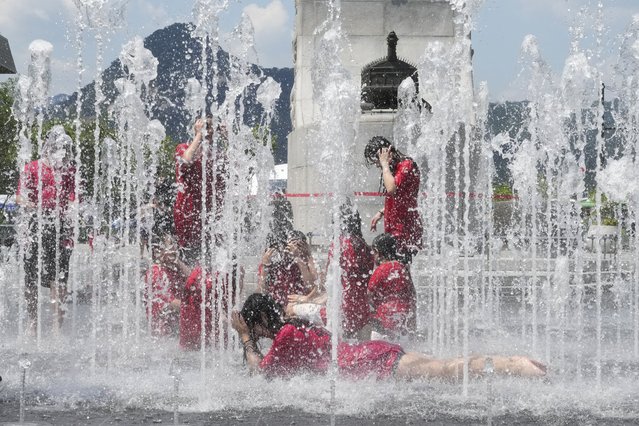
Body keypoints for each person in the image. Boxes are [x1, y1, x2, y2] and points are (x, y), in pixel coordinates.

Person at [231, 293, 546, 380]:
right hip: (372, 355)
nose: (256, 334)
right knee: (446, 366)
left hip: (372, 364)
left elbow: (260, 371)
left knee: (448, 371)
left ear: (259, 319)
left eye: (253, 326)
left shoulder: (287, 332)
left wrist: (244, 337)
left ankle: (517, 365)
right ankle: (518, 364)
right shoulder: (296, 325)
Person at [16, 125, 76, 333]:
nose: (62, 151)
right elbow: (19, 196)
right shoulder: (32, 168)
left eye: (64, 147)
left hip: (60, 228)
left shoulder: (69, 170)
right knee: (31, 276)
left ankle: (56, 327)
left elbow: (72, 197)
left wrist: (72, 210)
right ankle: (32, 321)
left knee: (59, 278)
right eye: (57, 146)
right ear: (48, 146)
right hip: (35, 226)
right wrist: (31, 205)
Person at [287, 201, 374, 339]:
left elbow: (329, 286)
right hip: (362, 314)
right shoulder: (366, 248)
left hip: (340, 315)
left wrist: (307, 299)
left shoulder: (339, 245)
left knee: (290, 309)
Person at [174, 117, 227, 262]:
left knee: (212, 268)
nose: (209, 131)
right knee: (191, 266)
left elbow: (238, 170)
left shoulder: (217, 156)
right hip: (188, 220)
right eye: (206, 126)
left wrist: (229, 139)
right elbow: (186, 161)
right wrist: (199, 135)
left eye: (212, 127)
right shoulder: (183, 148)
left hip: (211, 222)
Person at [365, 136, 423, 264]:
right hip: (395, 230)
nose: (378, 164)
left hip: (405, 231)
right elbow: (401, 198)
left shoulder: (406, 165)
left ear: (388, 152)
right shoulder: (396, 168)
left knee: (397, 271)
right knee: (395, 272)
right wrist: (382, 212)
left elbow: (391, 188)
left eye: (378, 160)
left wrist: (385, 165)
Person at [180, 258, 243, 350]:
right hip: (208, 340)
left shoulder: (198, 273)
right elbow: (225, 309)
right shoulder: (220, 279)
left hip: (190, 337)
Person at [368, 233, 417, 340]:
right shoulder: (403, 268)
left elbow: (368, 296)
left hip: (384, 325)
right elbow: (413, 296)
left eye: (374, 252)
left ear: (379, 252)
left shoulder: (381, 270)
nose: (373, 256)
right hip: (404, 323)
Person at [257, 230, 317, 308]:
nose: (295, 249)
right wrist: (265, 266)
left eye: (299, 246)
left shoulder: (303, 262)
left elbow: (311, 288)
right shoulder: (269, 264)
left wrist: (301, 257)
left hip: (297, 307)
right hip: (276, 307)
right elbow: (261, 292)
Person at [143, 233, 187, 336]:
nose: (174, 249)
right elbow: (172, 303)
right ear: (157, 252)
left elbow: (195, 281)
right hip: (163, 334)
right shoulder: (155, 273)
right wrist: (200, 309)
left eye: (174, 245)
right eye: (170, 245)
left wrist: (179, 262)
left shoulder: (172, 269)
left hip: (176, 327)